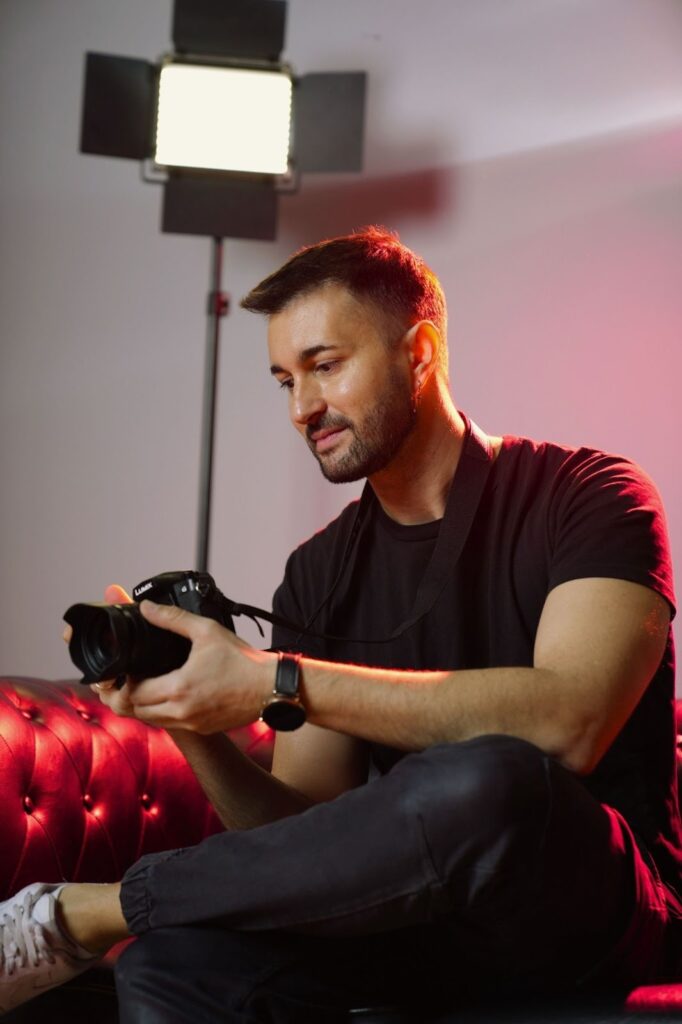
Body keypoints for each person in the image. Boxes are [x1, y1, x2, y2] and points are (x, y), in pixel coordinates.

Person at [0, 227, 679, 1021]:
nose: (301, 408)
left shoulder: (593, 495)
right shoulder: (318, 571)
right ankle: (116, 920)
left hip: (588, 910)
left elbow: (573, 723)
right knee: (173, 963)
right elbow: (304, 829)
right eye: (285, 380)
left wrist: (277, 681)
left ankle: (88, 912)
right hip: (417, 919)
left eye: (325, 366)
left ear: (419, 353)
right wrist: (190, 719)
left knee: (489, 778)